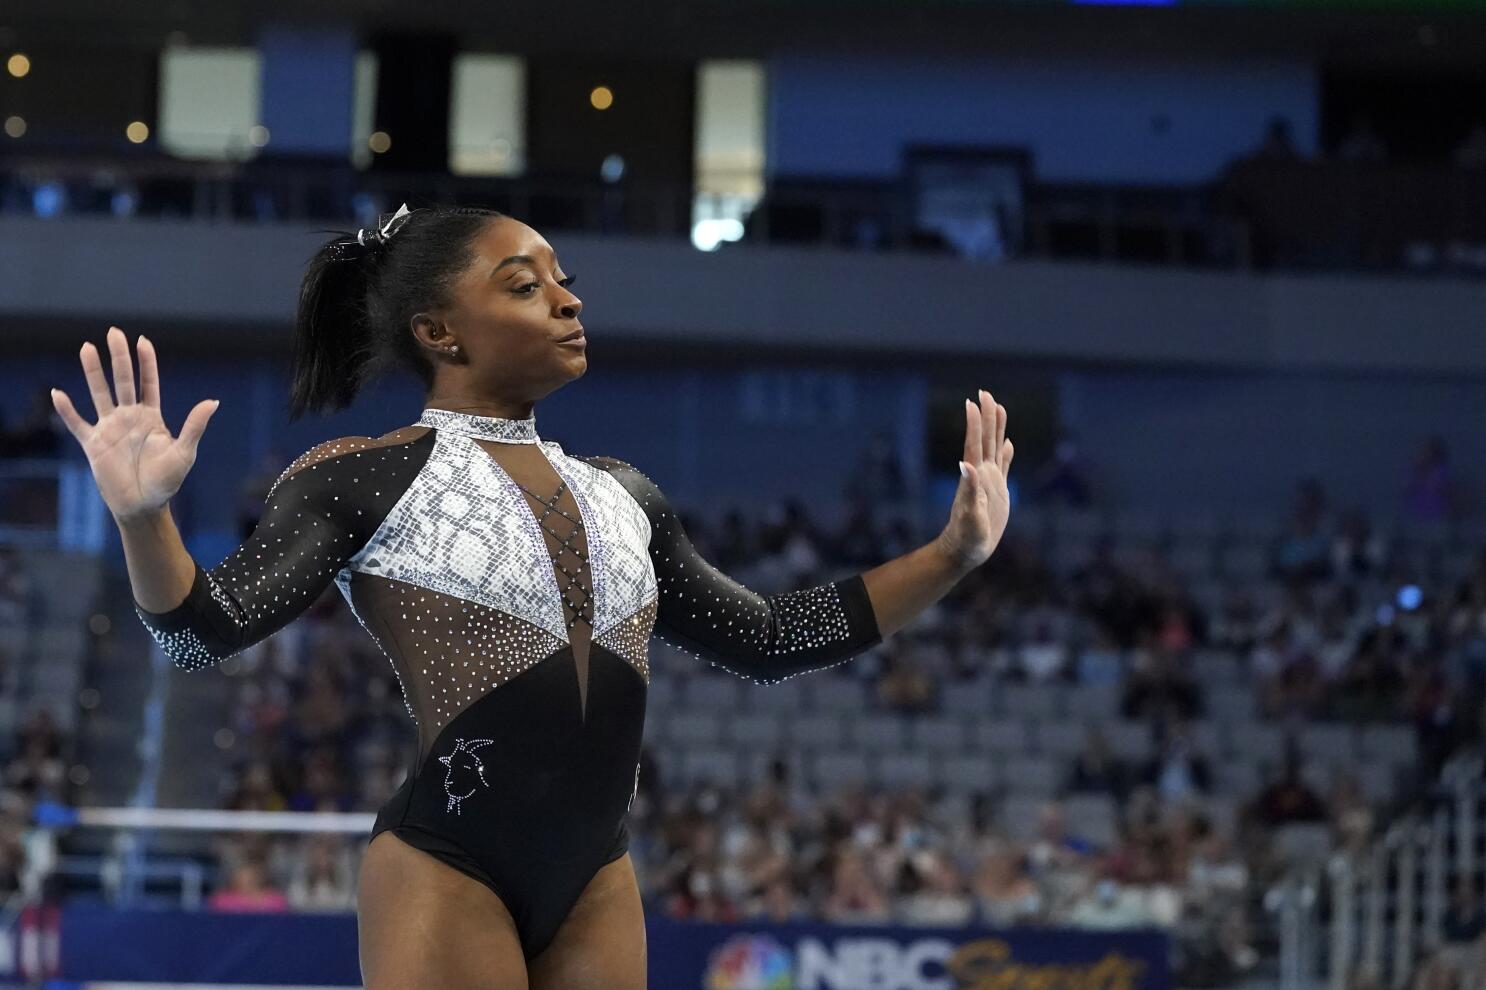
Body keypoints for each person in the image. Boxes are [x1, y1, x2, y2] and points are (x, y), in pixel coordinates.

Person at [48, 204, 1017, 990]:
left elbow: (767, 639)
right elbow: (196, 640)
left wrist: (951, 554)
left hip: (596, 873)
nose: (563, 300)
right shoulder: (361, 478)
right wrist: (143, 518)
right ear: (439, 333)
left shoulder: (623, 493)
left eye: (564, 281)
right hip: (446, 862)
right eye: (524, 284)